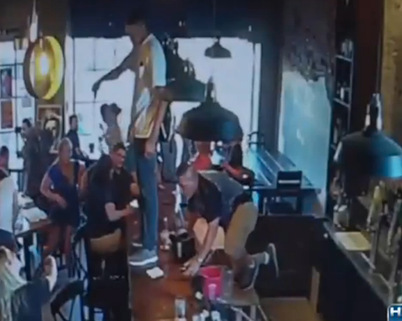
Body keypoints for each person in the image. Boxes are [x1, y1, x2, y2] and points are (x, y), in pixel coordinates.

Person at [92, 9, 168, 267]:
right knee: (137, 183)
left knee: (148, 191)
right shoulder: (139, 50)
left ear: (141, 26)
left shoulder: (154, 50)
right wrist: (100, 80)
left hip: (147, 131)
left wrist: (154, 137)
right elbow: (119, 69)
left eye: (131, 32)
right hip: (136, 131)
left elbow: (162, 97)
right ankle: (145, 238)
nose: (129, 38)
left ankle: (151, 247)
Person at [177, 164, 279, 290]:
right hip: (229, 213)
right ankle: (243, 275)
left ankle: (262, 257)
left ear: (193, 180)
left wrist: (198, 260)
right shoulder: (194, 191)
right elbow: (192, 218)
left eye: (183, 186)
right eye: (180, 186)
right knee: (234, 266)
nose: (182, 190)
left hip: (244, 207)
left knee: (231, 249)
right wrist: (186, 238)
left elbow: (213, 228)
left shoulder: (209, 188)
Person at [40, 138, 85, 258]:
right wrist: (56, 197)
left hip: (73, 207)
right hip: (59, 207)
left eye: (70, 151)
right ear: (60, 152)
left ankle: (69, 263)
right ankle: (45, 261)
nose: (69, 154)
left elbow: (81, 188)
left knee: (68, 237)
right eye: (66, 151)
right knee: (53, 237)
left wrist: (81, 189)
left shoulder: (77, 166)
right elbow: (43, 188)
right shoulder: (54, 169)